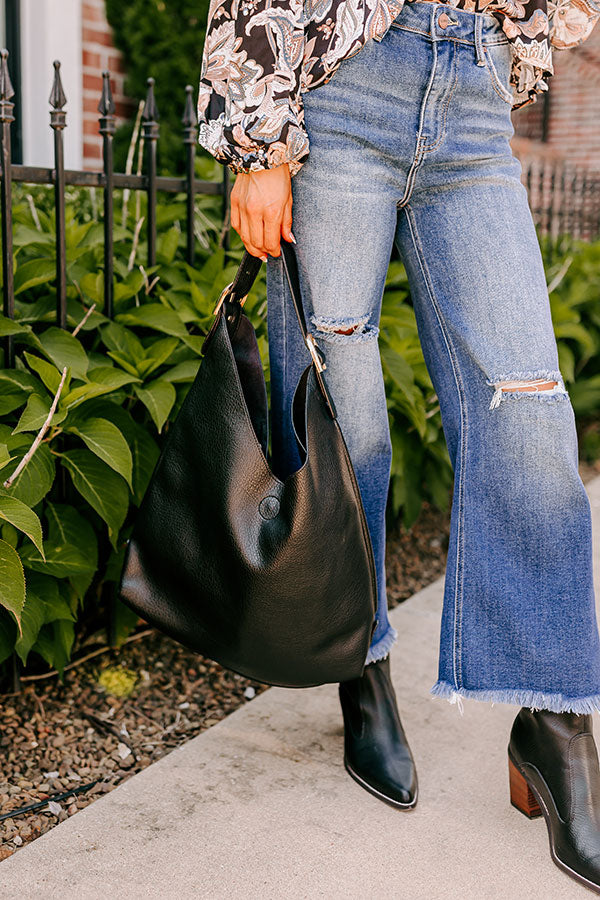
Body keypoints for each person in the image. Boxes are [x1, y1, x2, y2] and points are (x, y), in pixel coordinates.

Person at [197, 0, 600, 889]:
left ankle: (556, 724)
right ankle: (364, 664)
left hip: (472, 100)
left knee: (530, 410)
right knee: (348, 416)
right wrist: (263, 144)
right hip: (347, 93)